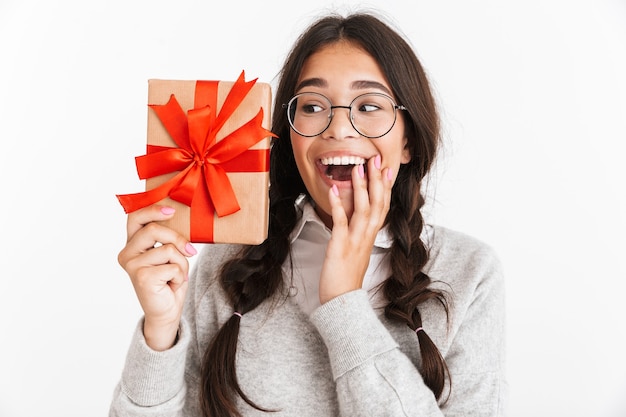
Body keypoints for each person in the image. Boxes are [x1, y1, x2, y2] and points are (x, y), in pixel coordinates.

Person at [110, 12, 506, 417]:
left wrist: (344, 304)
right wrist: (160, 331)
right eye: (313, 106)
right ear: (290, 136)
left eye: (368, 105)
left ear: (408, 141)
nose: (338, 128)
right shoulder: (227, 263)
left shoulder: (470, 272)